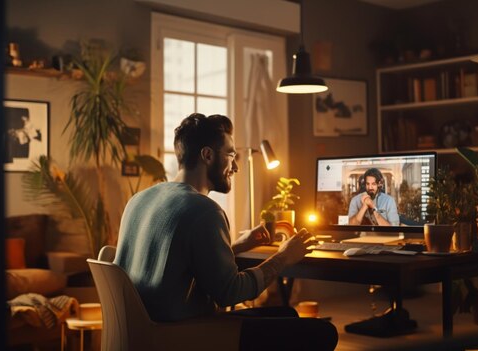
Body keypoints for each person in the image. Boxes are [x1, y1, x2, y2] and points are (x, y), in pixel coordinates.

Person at [114, 113, 338, 350]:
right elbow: (229, 292)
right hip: (180, 335)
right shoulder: (204, 210)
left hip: (145, 330)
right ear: (207, 155)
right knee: (324, 333)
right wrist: (284, 257)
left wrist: (240, 245)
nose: (236, 166)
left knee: (288, 313)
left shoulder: (139, 200)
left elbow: (181, 260)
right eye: (231, 155)